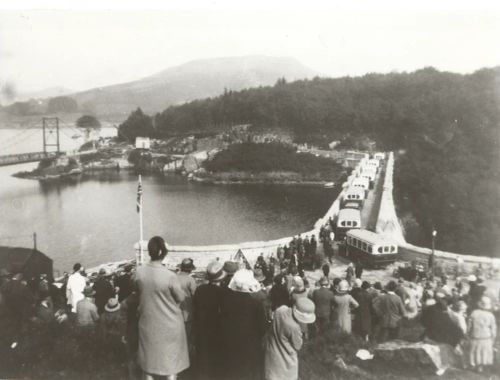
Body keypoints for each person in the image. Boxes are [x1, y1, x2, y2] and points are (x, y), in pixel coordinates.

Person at [135, 236, 189, 380]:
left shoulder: (139, 272)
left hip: (148, 323)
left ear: (149, 252)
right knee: (171, 366)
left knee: (148, 364)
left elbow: (136, 289)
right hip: (170, 325)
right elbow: (181, 298)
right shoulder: (170, 276)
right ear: (164, 253)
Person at [220, 269, 267, 380]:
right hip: (249, 344)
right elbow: (262, 327)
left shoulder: (226, 301)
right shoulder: (255, 304)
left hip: (230, 342)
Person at [264, 298, 316, 380]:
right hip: (286, 356)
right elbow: (298, 346)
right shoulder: (294, 327)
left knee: (273, 374)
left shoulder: (281, 309)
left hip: (272, 349)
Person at [193, 261, 226, 380]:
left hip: (201, 329)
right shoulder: (223, 293)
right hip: (216, 330)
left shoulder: (200, 290)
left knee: (202, 360)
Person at [468, 296, 497, 373]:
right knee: (484, 351)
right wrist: (493, 337)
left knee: (475, 350)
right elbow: (493, 328)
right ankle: (482, 366)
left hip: (475, 335)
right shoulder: (491, 315)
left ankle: (476, 365)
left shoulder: (474, 313)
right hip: (486, 336)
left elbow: (469, 325)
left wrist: (468, 333)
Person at [176, 258, 197, 359]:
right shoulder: (190, 280)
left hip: (175, 312)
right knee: (187, 338)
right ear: (190, 269)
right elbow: (195, 295)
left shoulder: (174, 277)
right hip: (187, 313)